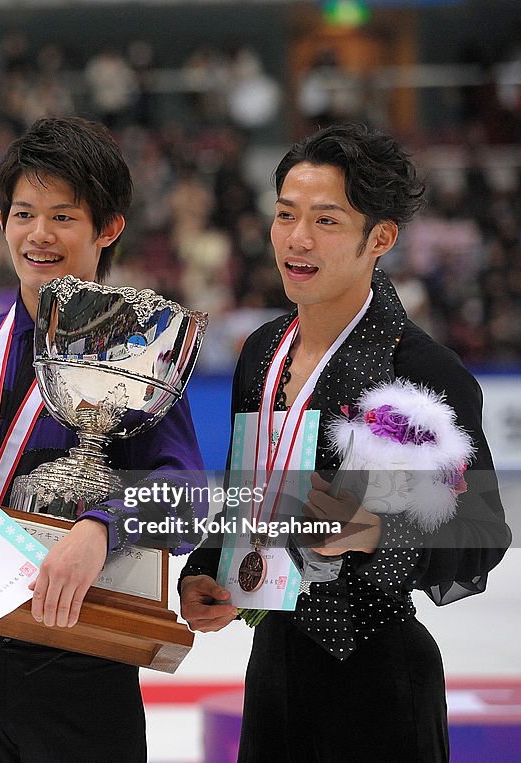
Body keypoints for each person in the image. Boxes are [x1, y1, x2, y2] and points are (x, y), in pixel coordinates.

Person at [179, 123, 511, 761]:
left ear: (379, 238)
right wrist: (208, 570)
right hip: (273, 670)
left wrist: (375, 530)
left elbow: (481, 535)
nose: (297, 240)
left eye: (326, 221)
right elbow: (251, 496)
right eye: (285, 215)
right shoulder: (261, 353)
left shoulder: (420, 372)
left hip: (379, 681)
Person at [0, 116, 205, 762]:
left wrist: (103, 526)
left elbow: (188, 497)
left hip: (84, 662)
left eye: (63, 216)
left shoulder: (142, 357)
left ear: (108, 229)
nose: (39, 235)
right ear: (1, 222)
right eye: (23, 213)